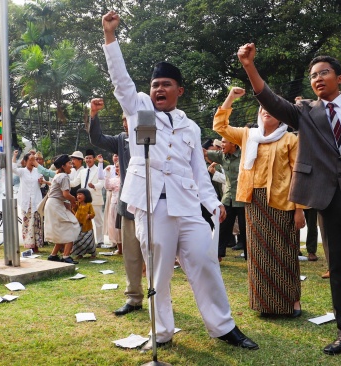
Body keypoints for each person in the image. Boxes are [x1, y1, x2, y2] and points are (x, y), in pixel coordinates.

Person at [101, 11, 258, 351]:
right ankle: (162, 332)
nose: (158, 89)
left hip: (187, 206)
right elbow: (122, 83)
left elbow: (199, 173)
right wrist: (110, 38)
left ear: (179, 91)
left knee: (204, 261)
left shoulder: (190, 127)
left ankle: (223, 326)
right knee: (159, 274)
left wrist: (213, 203)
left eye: (165, 85)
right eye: (155, 84)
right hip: (151, 205)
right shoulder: (140, 108)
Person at [238, 44, 341, 365]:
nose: (318, 78)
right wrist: (250, 67)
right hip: (328, 201)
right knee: (337, 268)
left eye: (324, 73)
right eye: (313, 76)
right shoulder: (306, 112)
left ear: (339, 77)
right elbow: (270, 100)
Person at [214, 87, 305, 317]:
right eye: (263, 108)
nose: (267, 111)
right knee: (258, 255)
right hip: (254, 202)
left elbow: (297, 174)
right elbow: (220, 127)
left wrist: (299, 210)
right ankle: (264, 303)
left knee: (285, 252)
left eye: (272, 108)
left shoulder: (290, 139)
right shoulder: (248, 135)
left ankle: (292, 302)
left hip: (282, 203)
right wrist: (231, 98)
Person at [88, 102, 146, 317]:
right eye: (123, 120)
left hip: (151, 205)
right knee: (131, 254)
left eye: (129, 119)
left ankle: (159, 298)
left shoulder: (152, 136)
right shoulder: (121, 140)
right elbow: (97, 139)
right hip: (128, 205)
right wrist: (93, 114)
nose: (125, 123)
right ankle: (133, 298)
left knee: (155, 255)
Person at [204, 137, 247, 259]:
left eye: (224, 142)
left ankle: (250, 257)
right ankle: (217, 254)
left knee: (245, 230)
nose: (221, 145)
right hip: (228, 198)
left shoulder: (245, 155)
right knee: (222, 227)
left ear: (233, 143)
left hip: (243, 198)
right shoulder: (222, 156)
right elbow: (205, 152)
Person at [44, 154, 80, 264]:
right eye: (69, 163)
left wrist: (68, 204)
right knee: (72, 227)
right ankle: (66, 256)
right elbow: (65, 194)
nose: (71, 165)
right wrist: (73, 200)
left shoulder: (58, 175)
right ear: (63, 166)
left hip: (54, 204)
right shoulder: (64, 176)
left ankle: (53, 255)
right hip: (55, 204)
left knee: (61, 230)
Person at [12, 151, 45, 253]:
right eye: (30, 160)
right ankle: (29, 244)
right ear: (25, 161)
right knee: (27, 223)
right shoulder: (22, 171)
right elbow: (13, 169)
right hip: (26, 202)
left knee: (36, 223)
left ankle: (37, 245)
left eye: (33, 160)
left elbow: (43, 185)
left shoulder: (38, 171)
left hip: (36, 201)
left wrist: (41, 182)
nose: (32, 162)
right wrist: (14, 156)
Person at [71, 149, 105, 247]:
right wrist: (62, 181)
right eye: (87, 158)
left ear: (94, 159)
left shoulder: (99, 170)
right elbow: (74, 183)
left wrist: (93, 186)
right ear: (84, 159)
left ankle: (100, 241)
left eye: (90, 158)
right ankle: (85, 241)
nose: (88, 160)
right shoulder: (83, 171)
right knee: (83, 221)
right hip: (84, 202)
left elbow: (101, 183)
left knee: (98, 221)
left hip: (95, 199)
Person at [103, 156, 122, 251]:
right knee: (115, 226)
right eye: (117, 167)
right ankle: (119, 248)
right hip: (114, 204)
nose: (118, 169)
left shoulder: (127, 179)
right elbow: (107, 186)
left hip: (125, 206)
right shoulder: (114, 179)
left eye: (120, 166)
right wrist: (107, 174)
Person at [71, 188, 97, 259]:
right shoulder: (77, 204)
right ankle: (80, 254)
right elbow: (74, 210)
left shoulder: (89, 205)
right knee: (78, 240)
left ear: (86, 196)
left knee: (88, 240)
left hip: (87, 227)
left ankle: (93, 254)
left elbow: (93, 214)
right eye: (77, 194)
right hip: (78, 225)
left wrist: (89, 215)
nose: (78, 196)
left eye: (80, 194)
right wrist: (73, 207)